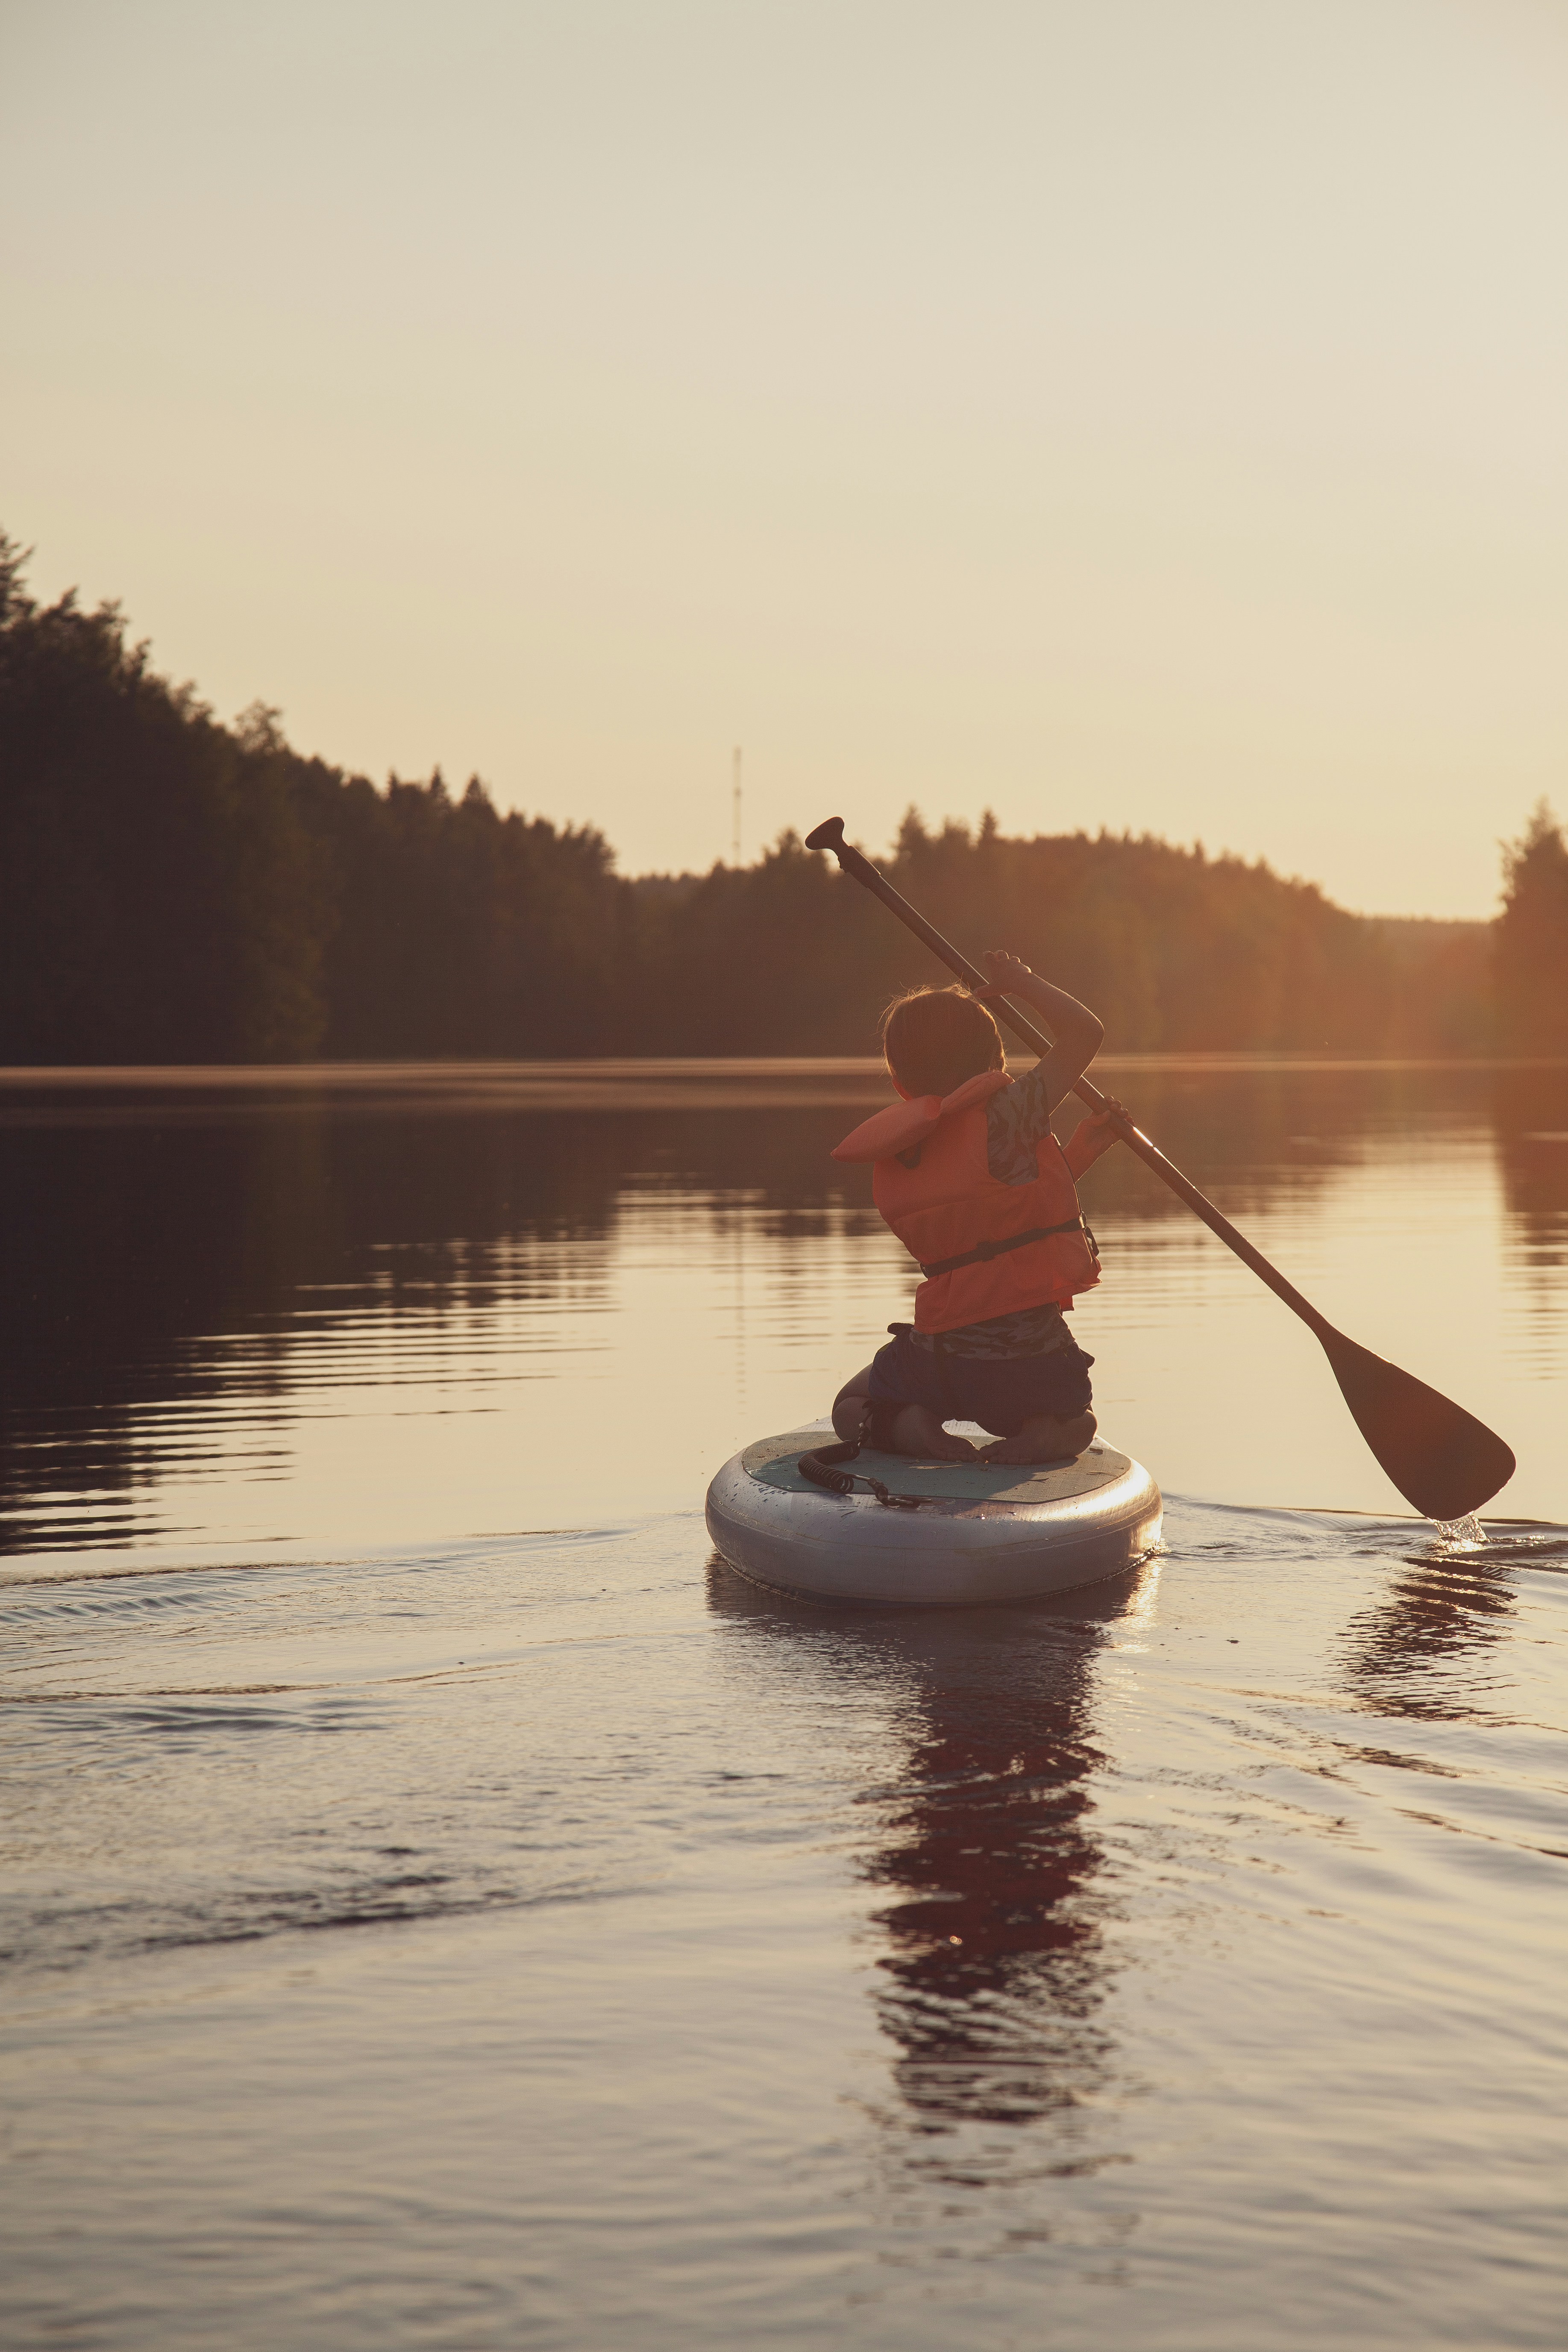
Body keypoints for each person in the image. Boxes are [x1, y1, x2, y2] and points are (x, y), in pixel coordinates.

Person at [830, 950, 1126, 1465]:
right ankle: (1042, 1431)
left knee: (849, 1406)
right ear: (995, 1062)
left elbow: (987, 1217)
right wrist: (1023, 982)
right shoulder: (1011, 1113)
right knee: (1081, 1422)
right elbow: (1084, 1033)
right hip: (1034, 1364)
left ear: (900, 1080)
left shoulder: (903, 1146)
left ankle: (911, 1426)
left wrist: (1080, 1151)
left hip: (939, 1361)